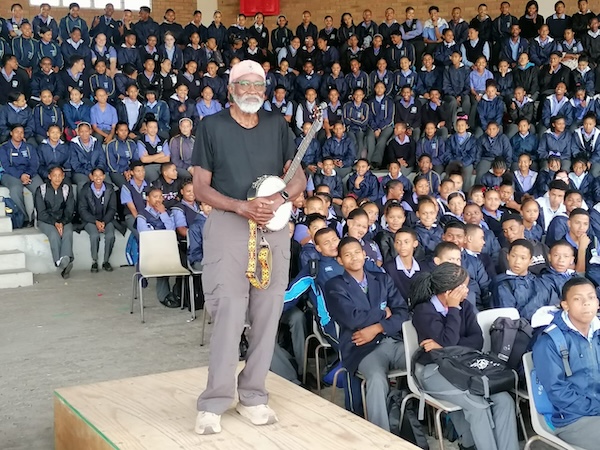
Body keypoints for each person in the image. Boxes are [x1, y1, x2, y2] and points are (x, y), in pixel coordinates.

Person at [192, 60, 306, 434]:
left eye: (259, 84)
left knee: (268, 310)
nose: (253, 90)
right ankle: (214, 401)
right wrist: (241, 205)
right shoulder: (211, 127)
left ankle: (253, 395)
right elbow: (201, 189)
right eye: (245, 84)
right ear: (231, 89)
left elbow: (298, 173)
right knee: (228, 308)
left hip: (273, 226)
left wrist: (280, 199)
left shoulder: (277, 125)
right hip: (229, 223)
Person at [411, 262, 520, 450]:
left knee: (504, 400)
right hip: (433, 371)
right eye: (463, 287)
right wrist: (453, 310)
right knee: (477, 405)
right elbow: (450, 341)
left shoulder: (466, 307)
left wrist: (445, 347)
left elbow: (477, 340)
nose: (467, 291)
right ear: (448, 292)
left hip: (464, 365)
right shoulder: (424, 311)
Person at [325, 236, 408, 431]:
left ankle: (421, 418)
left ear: (364, 254)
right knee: (377, 379)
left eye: (357, 252)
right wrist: (382, 313)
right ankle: (381, 434)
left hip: (391, 341)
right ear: (340, 261)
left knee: (421, 362)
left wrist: (378, 327)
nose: (353, 257)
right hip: (362, 348)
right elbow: (352, 318)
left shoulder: (381, 279)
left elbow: (402, 312)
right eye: (347, 254)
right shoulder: (335, 285)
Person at [532, 277, 600, 449]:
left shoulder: (597, 332)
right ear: (565, 305)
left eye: (591, 297)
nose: (586, 303)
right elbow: (558, 392)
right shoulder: (550, 341)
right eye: (578, 299)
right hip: (573, 419)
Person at [34, 166, 75, 279]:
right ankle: (59, 261)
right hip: (45, 221)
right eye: (54, 175)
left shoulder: (67, 189)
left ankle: (65, 259)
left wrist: (62, 222)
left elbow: (70, 209)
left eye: (59, 175)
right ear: (49, 176)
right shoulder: (41, 190)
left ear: (63, 176)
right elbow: (41, 212)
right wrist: (55, 222)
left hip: (63, 220)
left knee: (68, 232)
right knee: (53, 234)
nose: (57, 178)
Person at [0, 124, 43, 227]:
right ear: (11, 133)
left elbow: (34, 163)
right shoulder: (4, 148)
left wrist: (27, 174)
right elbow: (6, 166)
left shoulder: (29, 147)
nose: (19, 134)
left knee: (40, 188)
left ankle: (36, 217)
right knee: (15, 189)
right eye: (16, 132)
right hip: (10, 174)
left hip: (29, 173)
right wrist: (20, 175)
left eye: (21, 132)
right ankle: (23, 218)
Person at [78, 167, 116, 273]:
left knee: (110, 236)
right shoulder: (85, 189)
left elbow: (112, 208)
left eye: (100, 175)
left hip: (106, 219)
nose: (98, 178)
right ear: (92, 177)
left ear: (104, 176)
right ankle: (94, 261)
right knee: (94, 236)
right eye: (95, 175)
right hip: (90, 220)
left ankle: (106, 261)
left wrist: (104, 222)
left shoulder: (110, 189)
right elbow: (82, 210)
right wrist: (96, 221)